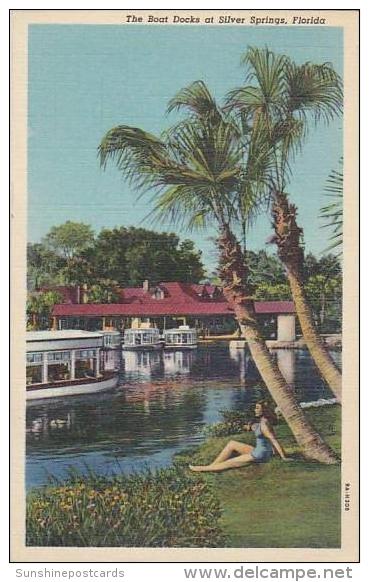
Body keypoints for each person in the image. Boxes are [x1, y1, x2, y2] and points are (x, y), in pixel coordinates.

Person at [189, 400, 289, 472]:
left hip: (259, 455)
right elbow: (260, 430)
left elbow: (273, 440)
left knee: (228, 463)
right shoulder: (265, 421)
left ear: (264, 410)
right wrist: (250, 427)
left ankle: (202, 469)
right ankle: (212, 466)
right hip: (262, 451)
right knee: (232, 444)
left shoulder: (264, 425)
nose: (255, 410)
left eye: (258, 408)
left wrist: (283, 457)